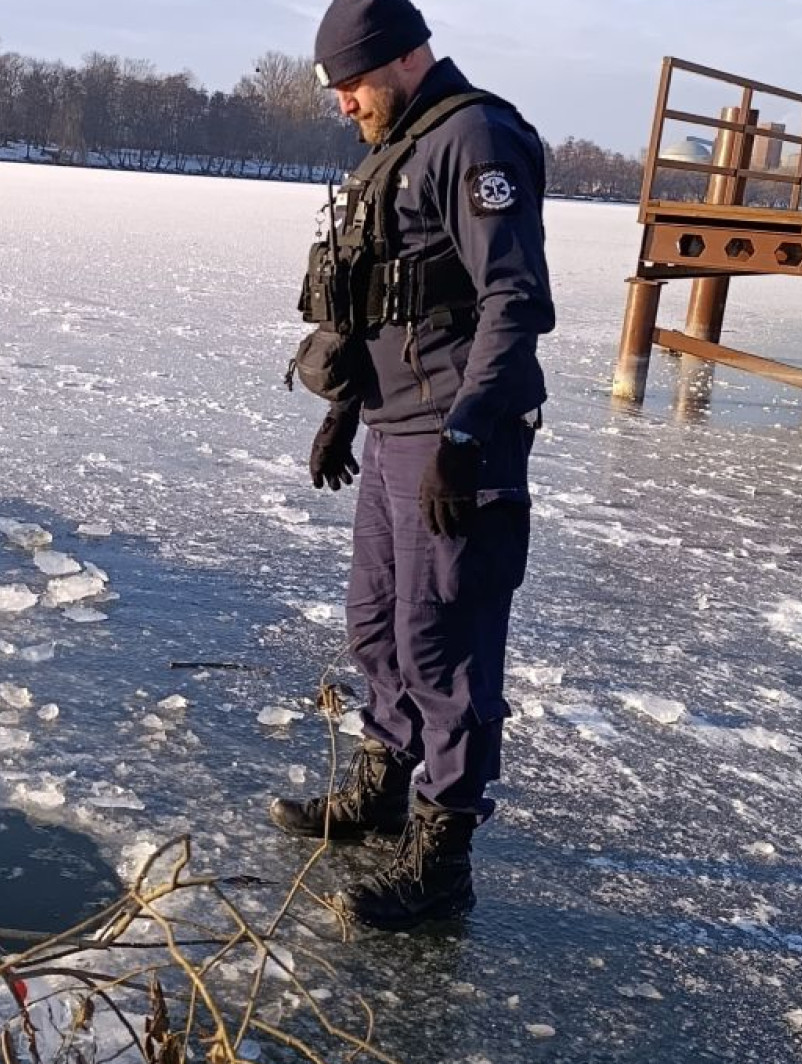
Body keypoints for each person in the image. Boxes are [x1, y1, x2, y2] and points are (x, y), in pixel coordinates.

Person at [269, 0, 555, 931]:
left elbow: (514, 302)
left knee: (447, 646)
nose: (344, 104)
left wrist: (468, 438)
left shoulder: (476, 140)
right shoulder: (396, 145)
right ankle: (383, 790)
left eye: (350, 84)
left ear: (397, 60)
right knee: (376, 626)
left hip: (455, 437)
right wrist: (346, 412)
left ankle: (444, 858)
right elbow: (387, 302)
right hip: (396, 427)